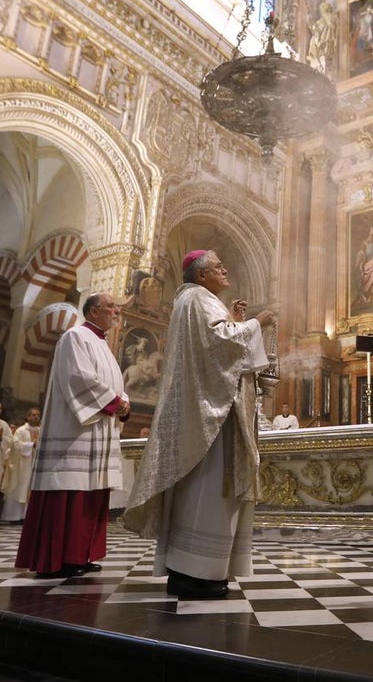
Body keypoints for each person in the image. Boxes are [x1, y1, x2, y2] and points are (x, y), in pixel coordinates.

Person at [124, 249, 275, 599]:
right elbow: (222, 344)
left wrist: (236, 321)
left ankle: (191, 571)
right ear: (201, 274)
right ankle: (196, 573)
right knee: (207, 492)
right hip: (212, 417)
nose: (225, 270)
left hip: (206, 411)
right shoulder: (199, 299)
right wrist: (257, 323)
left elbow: (218, 343)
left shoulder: (194, 301)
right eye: (218, 267)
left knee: (201, 493)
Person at [15, 293, 129, 579]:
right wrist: (116, 403)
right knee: (72, 492)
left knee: (91, 494)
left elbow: (114, 384)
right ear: (92, 311)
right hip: (76, 433)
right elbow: (78, 379)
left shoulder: (102, 344)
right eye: (111, 307)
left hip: (97, 431)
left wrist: (124, 403)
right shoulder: (74, 337)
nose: (117, 311)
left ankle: (80, 553)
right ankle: (61, 558)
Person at [0, 407, 40, 523]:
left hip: (35, 466)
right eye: (33, 415)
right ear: (27, 416)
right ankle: (15, 517)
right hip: (22, 466)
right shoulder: (21, 430)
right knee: (19, 488)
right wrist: (32, 445)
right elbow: (15, 445)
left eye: (38, 415)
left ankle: (29, 516)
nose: (36, 417)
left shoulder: (41, 430)